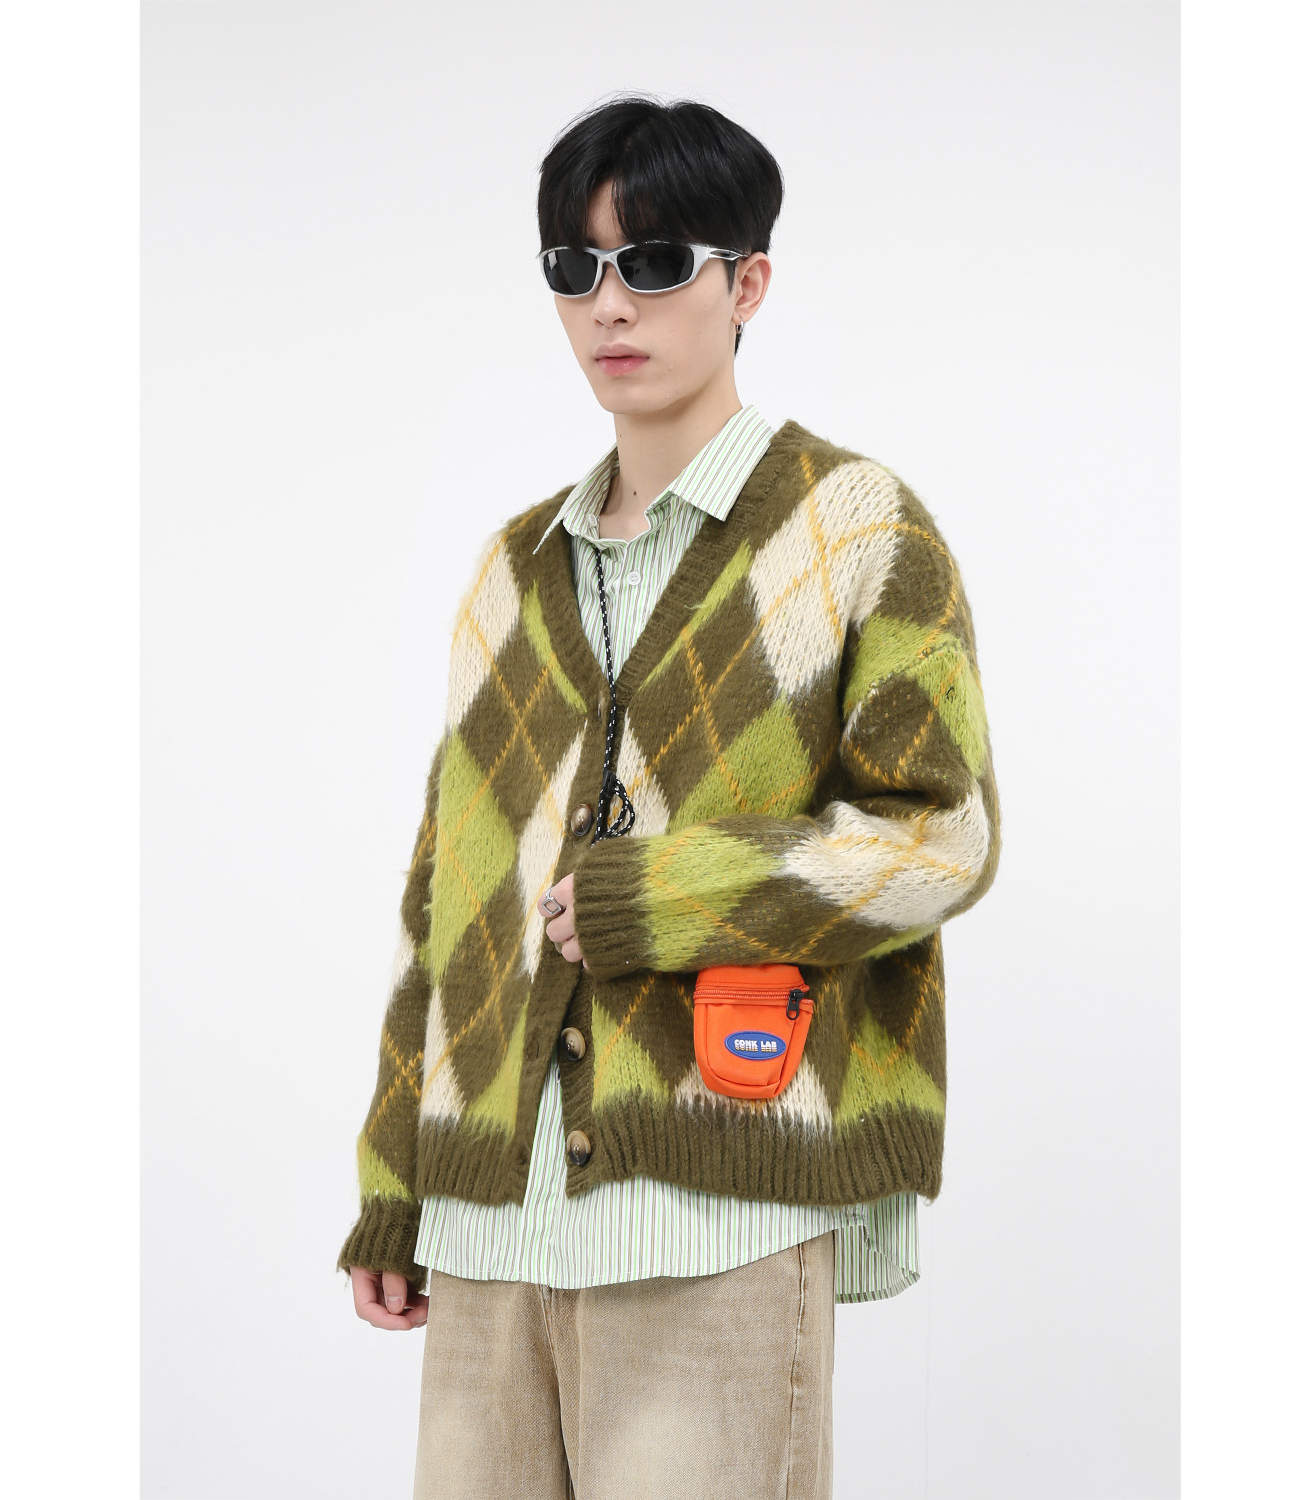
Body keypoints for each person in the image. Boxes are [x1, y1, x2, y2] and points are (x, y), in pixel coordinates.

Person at [339, 95, 999, 1500]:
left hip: (714, 1206)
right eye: (573, 269)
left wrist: (666, 896)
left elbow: (940, 838)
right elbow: (446, 893)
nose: (607, 305)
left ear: (746, 283)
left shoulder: (856, 529)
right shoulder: (515, 567)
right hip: (491, 1223)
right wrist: (396, 1176)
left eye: (650, 263)